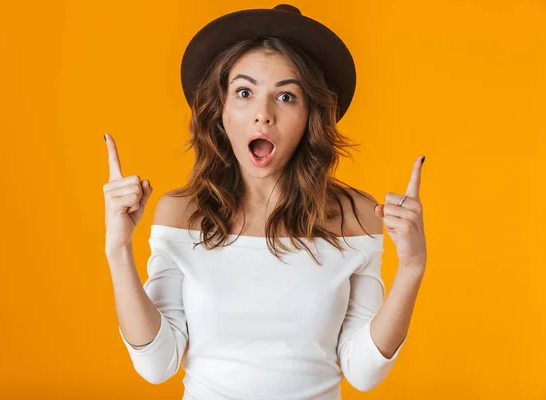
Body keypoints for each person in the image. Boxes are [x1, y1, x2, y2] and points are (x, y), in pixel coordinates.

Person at [103, 4, 427, 399]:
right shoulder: (182, 213)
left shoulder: (355, 215)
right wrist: (118, 250)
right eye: (244, 92)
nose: (263, 115)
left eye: (286, 97)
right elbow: (156, 366)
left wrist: (411, 267)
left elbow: (363, 373)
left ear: (311, 115)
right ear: (220, 110)